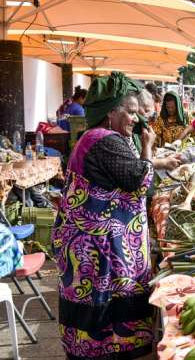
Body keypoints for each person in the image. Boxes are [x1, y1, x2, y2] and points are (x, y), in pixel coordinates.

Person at [52, 72, 180, 360]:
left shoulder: (96, 137)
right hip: (100, 250)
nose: (136, 119)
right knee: (104, 318)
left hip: (91, 244)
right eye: (130, 112)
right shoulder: (106, 140)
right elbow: (139, 181)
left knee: (96, 313)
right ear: (111, 112)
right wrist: (147, 146)